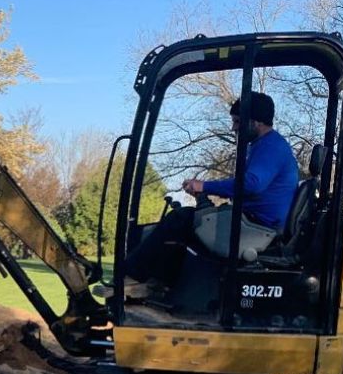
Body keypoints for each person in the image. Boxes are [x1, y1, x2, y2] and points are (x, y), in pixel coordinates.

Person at [115, 91, 299, 293]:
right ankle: (161, 285)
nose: (234, 128)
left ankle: (129, 276)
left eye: (238, 122)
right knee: (186, 225)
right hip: (252, 221)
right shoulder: (264, 146)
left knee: (180, 218)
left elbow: (252, 184)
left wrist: (205, 186)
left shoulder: (271, 146)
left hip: (257, 227)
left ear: (255, 122)